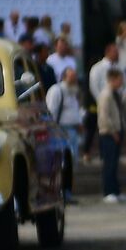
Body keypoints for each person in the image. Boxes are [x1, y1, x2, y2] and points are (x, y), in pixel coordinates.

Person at [46, 66, 85, 201]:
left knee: (72, 162)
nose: (74, 79)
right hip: (61, 131)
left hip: (73, 132)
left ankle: (68, 191)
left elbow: (75, 110)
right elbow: (51, 111)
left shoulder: (73, 92)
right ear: (64, 77)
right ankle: (60, 192)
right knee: (62, 163)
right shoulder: (57, 91)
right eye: (71, 76)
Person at [97, 68, 126, 202]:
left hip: (116, 131)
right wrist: (113, 131)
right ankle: (108, 191)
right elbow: (104, 116)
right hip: (108, 133)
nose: (121, 82)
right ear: (113, 79)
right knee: (109, 163)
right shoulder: (106, 94)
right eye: (119, 80)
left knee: (114, 164)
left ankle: (115, 190)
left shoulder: (115, 93)